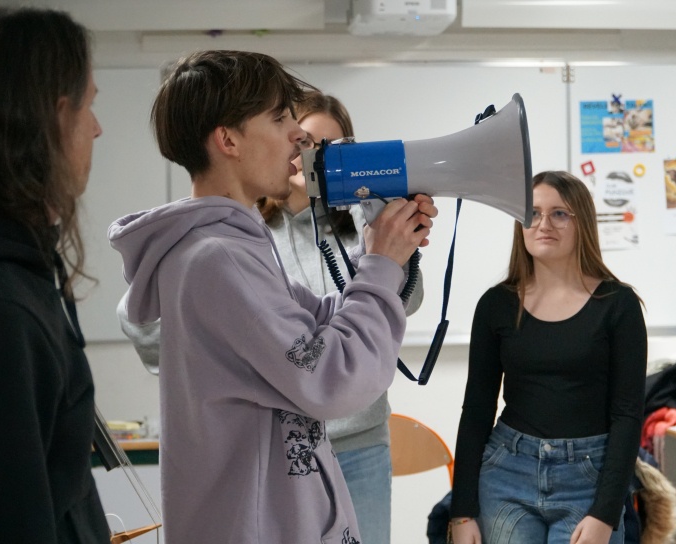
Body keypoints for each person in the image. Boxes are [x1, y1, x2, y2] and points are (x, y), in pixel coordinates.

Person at [108, 50, 436, 543]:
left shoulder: (231, 245)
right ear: (228, 139)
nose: (299, 135)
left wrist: (382, 251)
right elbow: (331, 377)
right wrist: (379, 266)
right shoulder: (216, 258)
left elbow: (319, 318)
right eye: (280, 117)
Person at [450, 171, 647, 544]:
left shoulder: (618, 305)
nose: (543, 224)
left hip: (588, 478)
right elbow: (477, 409)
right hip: (507, 471)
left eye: (559, 213)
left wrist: (606, 513)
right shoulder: (496, 305)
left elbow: (627, 415)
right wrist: (462, 511)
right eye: (533, 213)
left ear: (581, 223)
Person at [0, 7, 111, 543]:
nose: (97, 127)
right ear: (56, 116)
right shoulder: (8, 307)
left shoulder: (28, 272)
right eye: (88, 105)